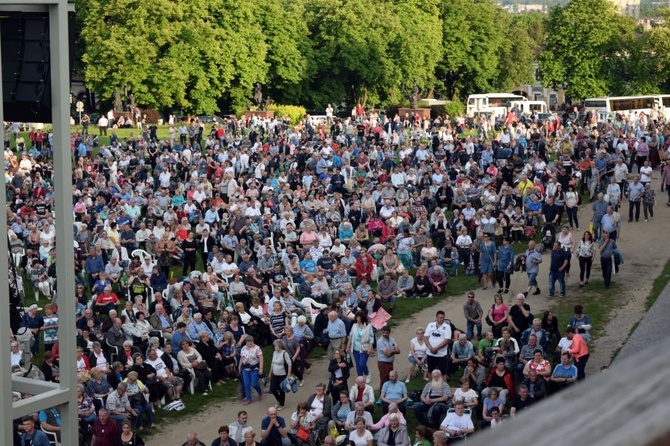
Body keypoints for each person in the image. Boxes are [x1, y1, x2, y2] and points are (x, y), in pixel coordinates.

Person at [347, 311, 374, 380]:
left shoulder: (368, 326)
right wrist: (348, 346)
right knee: (358, 365)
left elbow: (371, 338)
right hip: (355, 348)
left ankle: (367, 374)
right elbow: (351, 336)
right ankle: (360, 379)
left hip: (364, 348)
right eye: (356, 317)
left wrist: (370, 348)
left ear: (362, 317)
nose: (357, 319)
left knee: (362, 363)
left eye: (358, 317)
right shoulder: (354, 326)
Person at [424, 311, 452, 376]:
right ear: (436, 317)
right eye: (440, 317)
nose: (441, 319)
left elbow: (447, 340)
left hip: (441, 354)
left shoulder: (447, 326)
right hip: (430, 353)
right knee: (430, 371)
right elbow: (425, 337)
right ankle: (431, 385)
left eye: (443, 317)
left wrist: (436, 348)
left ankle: (444, 385)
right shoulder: (430, 325)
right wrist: (431, 348)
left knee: (443, 372)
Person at [238, 335, 264, 404]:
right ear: (246, 342)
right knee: (246, 384)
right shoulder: (243, 348)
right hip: (245, 369)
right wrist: (239, 366)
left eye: (251, 341)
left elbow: (261, 358)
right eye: (248, 342)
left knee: (254, 383)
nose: (250, 343)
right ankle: (249, 399)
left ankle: (260, 392)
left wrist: (261, 368)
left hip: (254, 368)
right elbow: (242, 358)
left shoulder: (257, 348)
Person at [269, 339, 292, 411]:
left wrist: (288, 374)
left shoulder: (285, 354)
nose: (274, 347)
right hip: (275, 374)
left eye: (276, 346)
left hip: (282, 374)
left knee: (282, 389)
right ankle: (279, 400)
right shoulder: (274, 353)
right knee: (273, 389)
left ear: (280, 346)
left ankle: (282, 404)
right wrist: (270, 373)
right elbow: (272, 363)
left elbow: (289, 364)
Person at [377, 326, 400, 390]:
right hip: (383, 363)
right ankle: (382, 394)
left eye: (386, 332)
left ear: (389, 333)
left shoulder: (392, 339)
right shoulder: (380, 342)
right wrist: (394, 351)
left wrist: (391, 351)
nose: (385, 334)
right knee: (384, 380)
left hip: (390, 363)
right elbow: (387, 354)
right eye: (383, 332)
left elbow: (398, 351)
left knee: (391, 379)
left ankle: (390, 393)